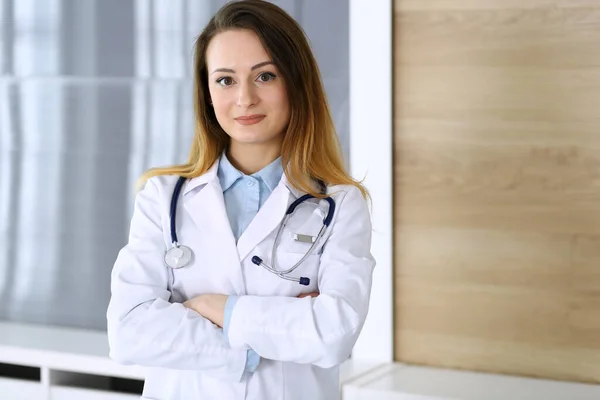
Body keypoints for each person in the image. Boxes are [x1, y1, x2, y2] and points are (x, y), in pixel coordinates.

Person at [106, 1, 375, 399]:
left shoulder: (340, 203)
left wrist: (215, 308)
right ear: (207, 93)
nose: (244, 98)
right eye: (226, 80)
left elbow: (334, 333)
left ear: (295, 83)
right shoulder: (162, 198)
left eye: (264, 76)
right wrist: (258, 344)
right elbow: (129, 331)